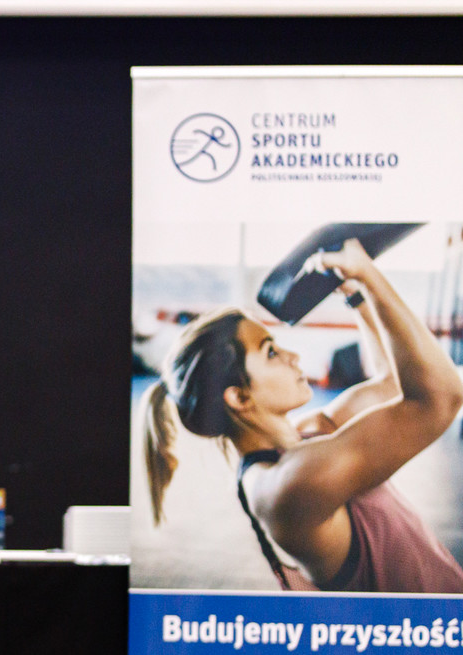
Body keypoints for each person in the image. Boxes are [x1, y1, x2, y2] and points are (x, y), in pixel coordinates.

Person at [144, 239, 463, 593]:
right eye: (271, 352)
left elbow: (391, 384)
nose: (293, 357)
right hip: (420, 628)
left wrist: (355, 294)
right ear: (239, 397)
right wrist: (369, 275)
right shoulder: (289, 486)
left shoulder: (307, 436)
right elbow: (441, 397)